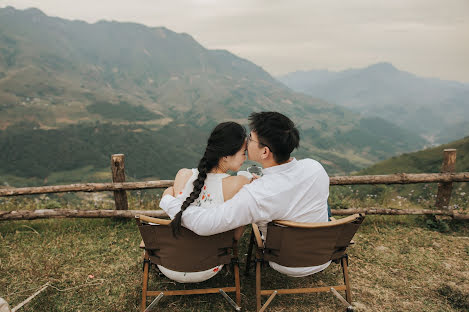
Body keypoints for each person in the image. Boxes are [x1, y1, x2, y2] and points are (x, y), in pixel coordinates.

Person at [161, 111, 331, 277]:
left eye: (250, 138)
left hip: (286, 261)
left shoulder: (256, 194)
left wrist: (168, 200)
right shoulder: (315, 168)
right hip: (323, 255)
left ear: (264, 152)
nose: (247, 142)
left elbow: (204, 224)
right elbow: (284, 188)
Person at [159, 121, 249, 283]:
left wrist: (167, 193)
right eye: (244, 152)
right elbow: (234, 238)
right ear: (226, 155)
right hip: (209, 266)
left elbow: (174, 212)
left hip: (169, 264)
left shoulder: (183, 175)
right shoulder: (239, 183)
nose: (245, 158)